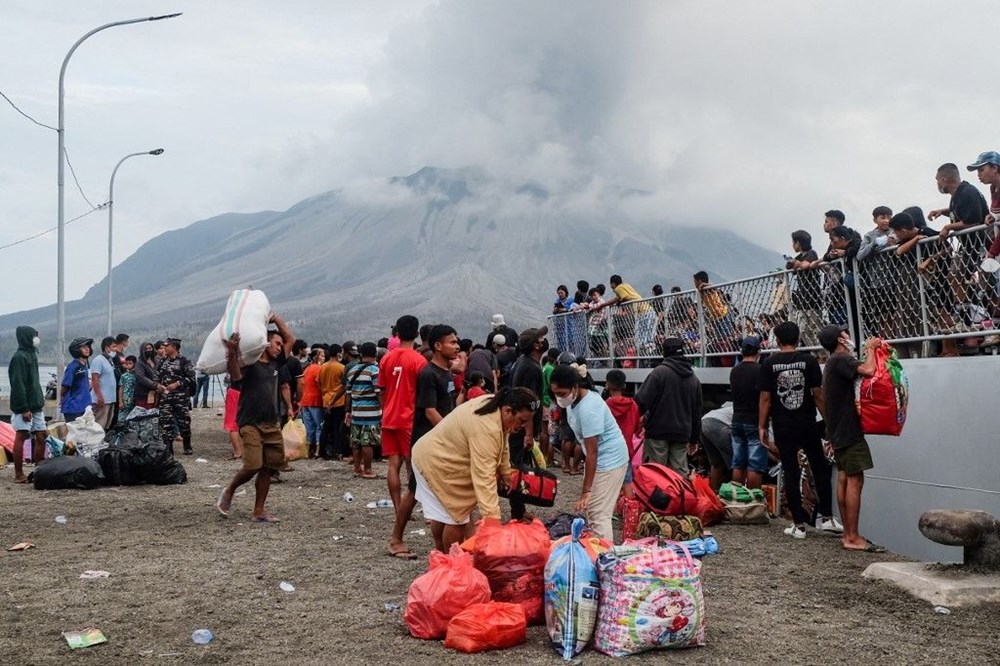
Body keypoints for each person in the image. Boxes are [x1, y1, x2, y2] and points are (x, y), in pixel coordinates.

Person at [411, 388, 537, 552]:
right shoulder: (487, 428)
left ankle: (442, 559)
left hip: (433, 455)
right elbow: (484, 478)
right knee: (457, 516)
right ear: (508, 410)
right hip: (437, 462)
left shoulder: (496, 403)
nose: (522, 426)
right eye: (521, 420)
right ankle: (451, 563)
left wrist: (505, 471)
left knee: (444, 513)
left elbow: (503, 439)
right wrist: (492, 521)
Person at [758, 321, 839, 539]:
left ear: (777, 339)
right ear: (797, 339)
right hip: (807, 422)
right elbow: (818, 394)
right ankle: (827, 517)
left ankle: (798, 525)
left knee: (791, 471)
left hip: (783, 425)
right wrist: (829, 421)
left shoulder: (769, 363)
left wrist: (762, 426)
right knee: (820, 467)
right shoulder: (809, 361)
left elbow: (765, 398)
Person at [216, 314, 296, 523]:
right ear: (266, 342)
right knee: (252, 465)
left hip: (272, 423)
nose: (279, 347)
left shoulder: (278, 364)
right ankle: (230, 490)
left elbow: (291, 340)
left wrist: (276, 318)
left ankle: (258, 511)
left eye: (280, 344)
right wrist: (233, 352)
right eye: (275, 343)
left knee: (270, 468)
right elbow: (235, 376)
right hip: (250, 422)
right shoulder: (250, 364)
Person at [390, 324, 460, 557]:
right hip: (426, 443)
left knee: (437, 492)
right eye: (452, 342)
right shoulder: (429, 374)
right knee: (413, 492)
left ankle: (443, 548)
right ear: (438, 346)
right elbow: (430, 411)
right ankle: (396, 540)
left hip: (440, 442)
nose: (456, 345)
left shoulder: (446, 372)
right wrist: (453, 434)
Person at [818, 324, 884, 552]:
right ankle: (853, 536)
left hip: (836, 429)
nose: (848, 336)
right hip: (848, 429)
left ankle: (848, 533)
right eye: (844, 333)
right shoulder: (841, 359)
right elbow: (869, 371)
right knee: (856, 479)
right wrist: (871, 349)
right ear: (840, 339)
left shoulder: (831, 363)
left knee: (844, 477)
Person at [549, 364, 629, 542]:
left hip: (610, 460)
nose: (558, 397)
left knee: (598, 513)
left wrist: (587, 490)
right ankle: (597, 550)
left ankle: (604, 557)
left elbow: (593, 451)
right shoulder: (574, 401)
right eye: (555, 393)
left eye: (562, 393)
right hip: (601, 459)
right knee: (593, 510)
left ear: (575, 387)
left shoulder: (588, 407)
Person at [378, 315, 427, 559]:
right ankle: (410, 510)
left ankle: (399, 509)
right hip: (409, 418)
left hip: (389, 416)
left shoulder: (386, 358)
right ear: (417, 334)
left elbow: (383, 390)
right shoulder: (418, 360)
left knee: (393, 463)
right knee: (413, 466)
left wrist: (386, 410)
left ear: (397, 333)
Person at [634, 337, 703, 474]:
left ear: (664, 353)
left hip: (657, 431)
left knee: (656, 473)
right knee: (679, 474)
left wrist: (635, 422)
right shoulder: (694, 379)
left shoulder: (659, 373)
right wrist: (694, 439)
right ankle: (678, 495)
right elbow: (697, 413)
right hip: (682, 432)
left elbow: (640, 401)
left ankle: (657, 496)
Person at [8, 326, 46, 483]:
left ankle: (39, 469)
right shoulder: (19, 357)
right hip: (25, 406)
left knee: (42, 435)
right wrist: (23, 408)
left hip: (37, 405)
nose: (36, 338)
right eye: (33, 336)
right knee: (22, 435)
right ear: (26, 337)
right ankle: (18, 474)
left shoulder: (32, 354)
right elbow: (18, 384)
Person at [729, 336, 766, 489]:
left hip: (737, 418)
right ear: (758, 352)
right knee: (755, 465)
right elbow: (765, 398)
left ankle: (737, 500)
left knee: (738, 464)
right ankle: (753, 502)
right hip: (754, 420)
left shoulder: (734, 371)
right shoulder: (761, 370)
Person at [508, 326, 548, 466]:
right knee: (520, 470)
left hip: (518, 426)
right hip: (521, 429)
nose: (545, 340)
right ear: (536, 345)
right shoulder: (532, 368)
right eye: (541, 338)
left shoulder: (522, 361)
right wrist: (529, 434)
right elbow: (527, 404)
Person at [345, 342, 380, 479]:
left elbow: (348, 394)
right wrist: (384, 408)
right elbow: (378, 392)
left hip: (356, 411)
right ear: (375, 354)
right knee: (367, 442)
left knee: (356, 441)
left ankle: (357, 468)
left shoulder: (352, 370)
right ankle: (368, 470)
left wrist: (348, 411)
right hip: (371, 412)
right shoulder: (375, 371)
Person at [158, 338, 196, 455]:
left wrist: (177, 383)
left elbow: (191, 378)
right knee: (165, 423)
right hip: (166, 398)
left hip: (180, 398)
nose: (164, 348)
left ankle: (187, 445)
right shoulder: (163, 361)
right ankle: (168, 449)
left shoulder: (184, 361)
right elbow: (157, 375)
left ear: (174, 347)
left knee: (184, 423)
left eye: (167, 346)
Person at [604, 369, 639, 499]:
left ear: (607, 385)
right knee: (627, 481)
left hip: (609, 450)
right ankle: (630, 512)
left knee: (608, 482)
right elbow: (636, 428)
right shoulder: (633, 405)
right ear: (624, 386)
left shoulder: (605, 405)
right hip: (626, 449)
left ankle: (609, 509)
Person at [786, 230, 822, 347]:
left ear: (798, 242)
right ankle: (816, 352)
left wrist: (797, 263)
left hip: (812, 296)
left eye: (793, 242)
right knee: (802, 330)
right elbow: (789, 266)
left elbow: (805, 265)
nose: (792, 245)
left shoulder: (811, 253)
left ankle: (823, 353)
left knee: (815, 327)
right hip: (802, 298)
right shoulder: (799, 257)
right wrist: (792, 263)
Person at [318, 343, 347, 460]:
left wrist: (325, 393)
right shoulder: (341, 367)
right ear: (339, 353)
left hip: (326, 400)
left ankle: (322, 451)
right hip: (338, 401)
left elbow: (319, 383)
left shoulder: (322, 367)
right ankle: (337, 451)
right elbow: (344, 385)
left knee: (326, 427)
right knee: (337, 428)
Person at [700, 402, 733, 492]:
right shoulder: (757, 414)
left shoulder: (729, 409)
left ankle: (714, 493)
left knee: (716, 463)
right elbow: (765, 444)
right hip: (716, 424)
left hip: (703, 422)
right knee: (736, 463)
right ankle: (735, 494)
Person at [299, 347, 325, 458]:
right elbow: (320, 384)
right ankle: (317, 451)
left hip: (305, 401)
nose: (324, 358)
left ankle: (309, 450)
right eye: (322, 355)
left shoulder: (306, 369)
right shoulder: (319, 369)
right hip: (316, 400)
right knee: (319, 426)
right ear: (316, 357)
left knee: (309, 427)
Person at [89, 336, 118, 432]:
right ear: (106, 347)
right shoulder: (98, 360)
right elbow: (95, 379)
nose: (116, 349)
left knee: (106, 424)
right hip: (101, 400)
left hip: (110, 399)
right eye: (113, 347)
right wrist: (99, 396)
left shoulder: (109, 361)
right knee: (98, 425)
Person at [61, 337, 93, 422]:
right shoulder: (73, 366)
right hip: (73, 407)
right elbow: (65, 386)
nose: (87, 349)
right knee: (74, 433)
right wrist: (61, 399)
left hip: (84, 406)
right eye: (83, 347)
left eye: (88, 347)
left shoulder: (85, 365)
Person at [132, 341, 161, 410]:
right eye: (146, 349)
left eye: (150, 348)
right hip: (143, 394)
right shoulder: (140, 363)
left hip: (155, 394)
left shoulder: (156, 361)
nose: (148, 350)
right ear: (142, 351)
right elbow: (141, 377)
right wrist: (155, 385)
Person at [116, 356, 137, 425]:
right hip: (125, 400)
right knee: (122, 420)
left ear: (134, 364)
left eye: (130, 363)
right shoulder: (124, 376)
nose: (128, 365)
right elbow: (121, 389)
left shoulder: (137, 375)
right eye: (126, 363)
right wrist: (120, 401)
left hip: (134, 400)